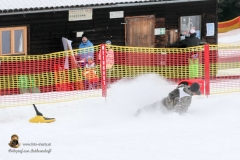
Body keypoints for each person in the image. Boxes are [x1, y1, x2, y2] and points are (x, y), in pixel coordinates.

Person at [135, 82, 201, 116]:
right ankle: (138, 117)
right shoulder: (187, 99)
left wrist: (197, 92)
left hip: (163, 101)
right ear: (194, 91)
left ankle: (137, 113)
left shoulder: (182, 86)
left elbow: (189, 89)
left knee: (149, 108)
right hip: (166, 109)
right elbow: (179, 110)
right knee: (152, 113)